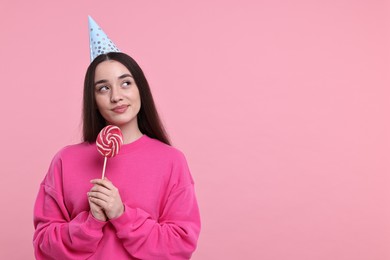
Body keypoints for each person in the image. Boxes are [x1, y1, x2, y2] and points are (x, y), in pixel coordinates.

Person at [33, 52, 201, 259]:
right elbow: (44, 244)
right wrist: (90, 222)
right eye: (103, 88)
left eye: (126, 83)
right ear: (93, 99)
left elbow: (180, 244)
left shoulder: (171, 161)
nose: (116, 96)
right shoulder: (65, 160)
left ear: (141, 89)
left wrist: (121, 214)